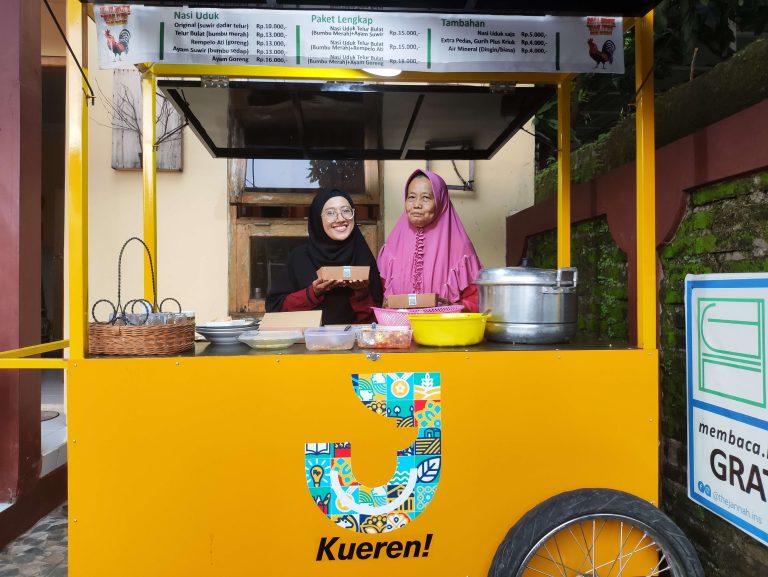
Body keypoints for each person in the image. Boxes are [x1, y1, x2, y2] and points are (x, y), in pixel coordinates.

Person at [266, 188, 382, 325]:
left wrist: (361, 294)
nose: (341, 219)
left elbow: (377, 320)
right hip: (307, 337)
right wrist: (313, 293)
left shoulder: (363, 257)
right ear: (317, 218)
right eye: (330, 213)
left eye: (346, 211)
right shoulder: (299, 258)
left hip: (354, 337)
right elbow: (275, 308)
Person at [378, 169, 483, 312]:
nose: (417, 204)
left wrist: (453, 308)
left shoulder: (461, 247)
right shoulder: (392, 245)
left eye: (426, 198)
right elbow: (377, 296)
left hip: (443, 325)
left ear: (440, 201)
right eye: (411, 197)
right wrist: (384, 304)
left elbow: (477, 300)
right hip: (399, 326)